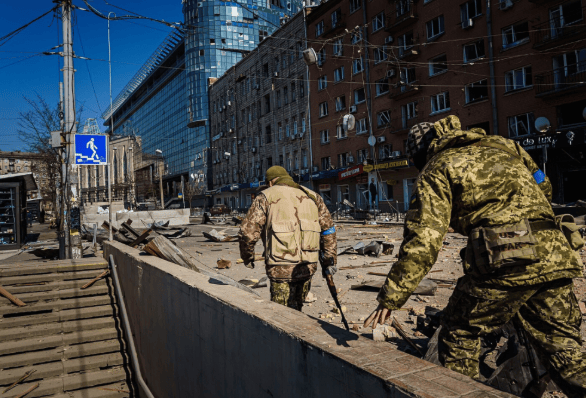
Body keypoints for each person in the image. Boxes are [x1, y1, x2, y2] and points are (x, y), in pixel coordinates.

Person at [363, 115, 586, 396]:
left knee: (459, 333)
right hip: (556, 254)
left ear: (422, 152)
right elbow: (543, 185)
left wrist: (392, 296)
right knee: (565, 352)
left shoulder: (438, 168)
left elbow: (424, 240)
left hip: (507, 260)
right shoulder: (506, 147)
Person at [238, 166, 337, 311]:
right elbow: (328, 231)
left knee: (282, 315)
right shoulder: (313, 197)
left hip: (280, 268)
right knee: (298, 309)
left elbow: (247, 233)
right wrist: (329, 262)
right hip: (307, 267)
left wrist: (247, 257)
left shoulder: (265, 197)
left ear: (271, 182)